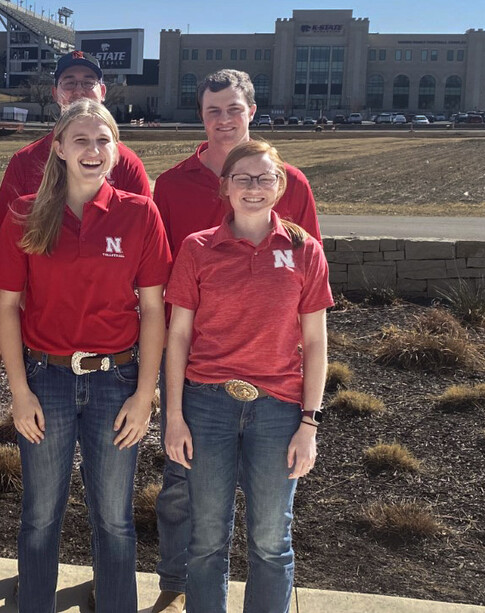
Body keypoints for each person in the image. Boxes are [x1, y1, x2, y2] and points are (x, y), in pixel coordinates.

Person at [0, 99, 171, 613]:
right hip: (46, 379)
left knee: (113, 517)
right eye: (82, 141)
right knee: (41, 514)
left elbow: (154, 310)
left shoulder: (140, 213)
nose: (93, 150)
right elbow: (6, 309)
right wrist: (17, 393)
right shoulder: (26, 210)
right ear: (60, 149)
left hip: (117, 380)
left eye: (103, 141)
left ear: (116, 151)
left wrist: (145, 393)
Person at [149, 69, 322, 613]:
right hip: (203, 393)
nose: (224, 120)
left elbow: (313, 331)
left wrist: (310, 421)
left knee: (271, 537)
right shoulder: (185, 216)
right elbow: (172, 320)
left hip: (277, 398)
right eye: (212, 111)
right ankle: (182, 590)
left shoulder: (298, 233)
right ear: (224, 188)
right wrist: (172, 410)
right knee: (199, 522)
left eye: (234, 109)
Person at [0, 51, 151, 230]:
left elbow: (145, 231)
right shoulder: (25, 161)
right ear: (54, 93)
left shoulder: (128, 163)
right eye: (69, 82)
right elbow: (3, 232)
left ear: (103, 92)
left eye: (89, 83)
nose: (79, 90)